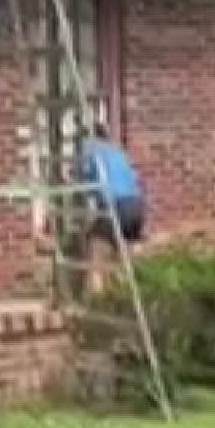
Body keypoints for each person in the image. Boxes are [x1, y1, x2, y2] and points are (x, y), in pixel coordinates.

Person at [76, 123, 145, 298]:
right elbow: (134, 179)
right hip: (137, 206)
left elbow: (87, 185)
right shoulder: (118, 153)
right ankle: (124, 294)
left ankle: (96, 300)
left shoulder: (92, 154)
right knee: (123, 255)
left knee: (95, 249)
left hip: (117, 205)